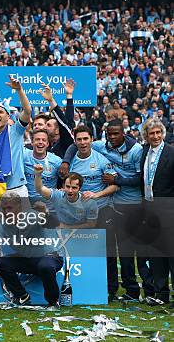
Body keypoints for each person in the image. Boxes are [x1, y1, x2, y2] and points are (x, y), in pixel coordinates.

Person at [0, 193, 62, 308]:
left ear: (19, 206)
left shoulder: (32, 215)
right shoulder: (2, 225)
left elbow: (54, 223)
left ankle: (53, 302)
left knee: (45, 266)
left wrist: (45, 212)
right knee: (1, 263)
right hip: (27, 260)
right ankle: (22, 296)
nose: (6, 212)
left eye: (10, 208)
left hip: (49, 257)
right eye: (4, 208)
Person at [64, 125, 119, 299]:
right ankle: (86, 286)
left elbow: (115, 185)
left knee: (107, 251)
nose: (82, 142)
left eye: (85, 139)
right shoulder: (71, 161)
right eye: (79, 139)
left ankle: (111, 289)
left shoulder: (102, 160)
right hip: (80, 214)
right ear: (75, 141)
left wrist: (96, 195)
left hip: (103, 208)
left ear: (91, 140)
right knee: (82, 249)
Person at [139, 119, 174, 307]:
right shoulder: (144, 152)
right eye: (151, 133)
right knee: (156, 255)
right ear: (146, 135)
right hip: (150, 211)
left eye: (158, 133)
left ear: (163, 134)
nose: (155, 136)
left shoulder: (171, 152)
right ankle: (161, 293)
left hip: (168, 210)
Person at [34, 169, 98, 228]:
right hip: (60, 231)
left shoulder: (90, 202)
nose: (70, 190)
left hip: (80, 234)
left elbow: (91, 224)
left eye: (74, 187)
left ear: (79, 188)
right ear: (63, 186)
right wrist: (38, 174)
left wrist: (67, 227)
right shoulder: (58, 195)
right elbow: (40, 189)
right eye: (67, 187)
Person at [23, 129, 62, 213]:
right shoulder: (23, 156)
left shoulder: (57, 161)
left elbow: (65, 180)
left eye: (44, 140)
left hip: (50, 209)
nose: (40, 142)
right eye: (37, 139)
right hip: (27, 208)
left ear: (47, 144)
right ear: (32, 142)